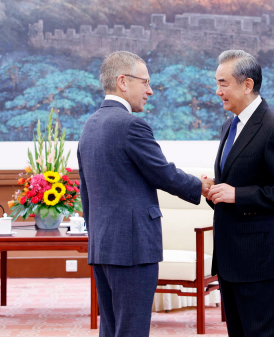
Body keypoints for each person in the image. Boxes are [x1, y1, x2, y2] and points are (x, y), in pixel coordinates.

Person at [77, 51, 214, 337]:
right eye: (146, 82)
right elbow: (162, 172)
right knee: (132, 329)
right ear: (123, 82)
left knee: (112, 328)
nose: (150, 91)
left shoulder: (90, 125)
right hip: (133, 247)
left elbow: (86, 194)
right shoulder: (131, 125)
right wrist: (198, 186)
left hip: (102, 246)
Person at [206, 50, 274, 336]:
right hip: (229, 257)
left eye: (223, 83)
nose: (217, 91)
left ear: (247, 84)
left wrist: (238, 195)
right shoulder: (230, 125)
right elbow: (239, 178)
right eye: (217, 83)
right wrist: (216, 188)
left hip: (259, 259)